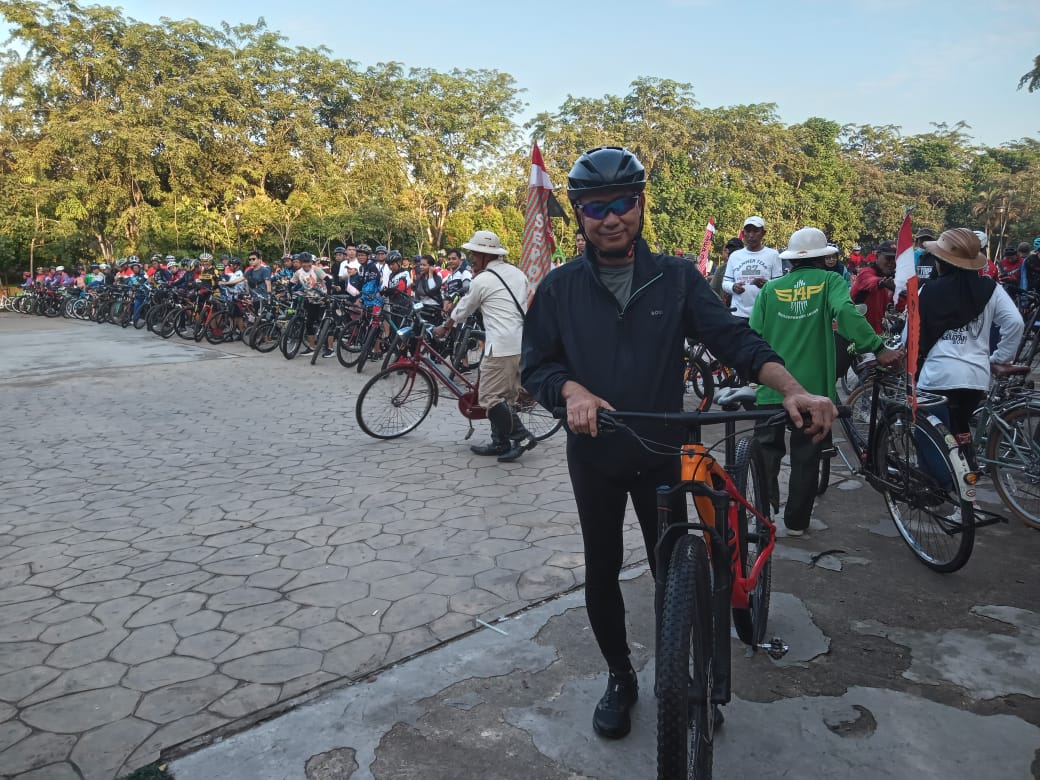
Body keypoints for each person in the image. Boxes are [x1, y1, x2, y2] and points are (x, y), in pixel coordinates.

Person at [521, 146, 836, 741]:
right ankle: (620, 677)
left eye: (622, 203)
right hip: (594, 454)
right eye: (596, 207)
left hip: (662, 449)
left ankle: (686, 675)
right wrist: (570, 391)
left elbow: (735, 340)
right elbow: (536, 365)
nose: (611, 218)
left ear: (640, 205)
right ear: (580, 213)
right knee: (601, 569)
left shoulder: (677, 278)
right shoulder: (559, 288)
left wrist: (793, 389)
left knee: (674, 571)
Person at [750, 227, 902, 536]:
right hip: (813, 393)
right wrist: (877, 347)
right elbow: (845, 313)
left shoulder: (770, 290)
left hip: (772, 386)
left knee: (765, 454)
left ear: (791, 259)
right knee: (807, 457)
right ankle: (796, 523)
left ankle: (762, 516)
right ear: (823, 258)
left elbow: (753, 334)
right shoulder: (830, 281)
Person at [913, 229, 1023, 465]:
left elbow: (909, 336)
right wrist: (1000, 358)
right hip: (975, 378)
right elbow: (1015, 323)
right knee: (961, 430)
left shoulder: (927, 290)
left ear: (941, 262)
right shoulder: (991, 288)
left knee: (931, 440)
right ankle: (966, 474)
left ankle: (940, 481)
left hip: (936, 377)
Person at [434, 230, 536, 463]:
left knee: (489, 397)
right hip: (520, 343)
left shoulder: (482, 280)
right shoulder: (517, 273)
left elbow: (464, 308)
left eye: (474, 254)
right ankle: (500, 442)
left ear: (485, 255)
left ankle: (522, 437)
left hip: (500, 347)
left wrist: (446, 326)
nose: (471, 258)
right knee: (505, 398)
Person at [721, 216, 783, 319]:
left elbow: (779, 285)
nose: (751, 235)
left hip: (764, 314)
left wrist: (767, 285)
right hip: (738, 314)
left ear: (763, 233)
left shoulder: (773, 255)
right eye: (748, 231)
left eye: (755, 231)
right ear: (743, 233)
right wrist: (733, 287)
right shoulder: (735, 256)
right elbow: (725, 282)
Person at [850, 241, 904, 334]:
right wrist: (882, 282)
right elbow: (870, 281)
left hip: (875, 334)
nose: (892, 263)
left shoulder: (891, 280)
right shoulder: (866, 273)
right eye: (888, 258)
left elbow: (900, 305)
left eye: (895, 259)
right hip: (856, 333)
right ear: (877, 256)